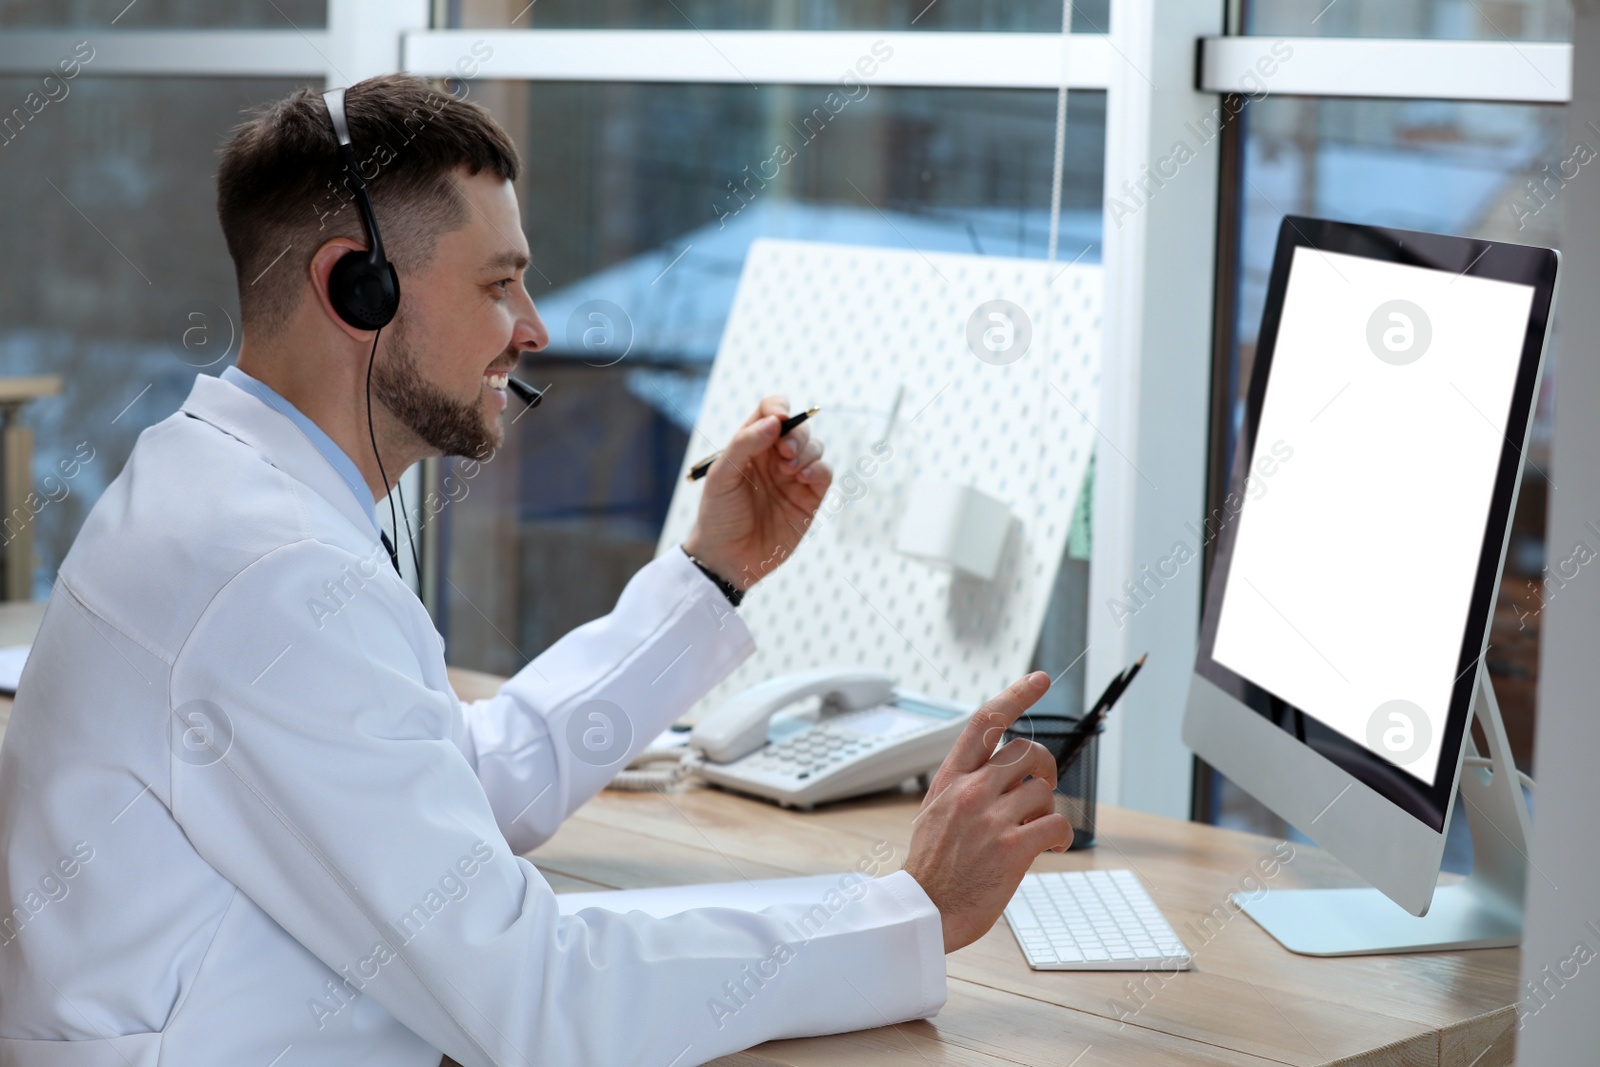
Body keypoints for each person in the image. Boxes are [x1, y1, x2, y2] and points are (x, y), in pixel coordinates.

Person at [0, 74, 1070, 1066]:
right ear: (357, 289)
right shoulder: (268, 571)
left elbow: (450, 780)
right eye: (500, 283)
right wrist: (905, 911)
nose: (533, 327)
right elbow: (536, 999)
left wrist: (709, 575)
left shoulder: (219, 487)